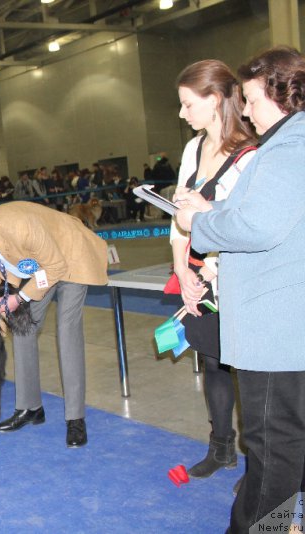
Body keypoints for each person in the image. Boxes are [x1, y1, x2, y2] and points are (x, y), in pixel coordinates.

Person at [175, 46, 305, 533]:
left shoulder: (289, 147)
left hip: (275, 327)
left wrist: (201, 222)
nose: (245, 109)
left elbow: (259, 226)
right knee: (287, 439)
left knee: (272, 445)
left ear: (276, 93)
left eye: (250, 98)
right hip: (285, 321)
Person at [0, 202, 108, 447]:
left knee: (66, 330)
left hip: (68, 256)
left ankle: (75, 418)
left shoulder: (21, 228)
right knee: (22, 328)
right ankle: (31, 408)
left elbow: (56, 267)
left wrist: (19, 298)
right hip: (38, 267)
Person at [170, 59, 257, 480]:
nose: (182, 113)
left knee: (252, 375)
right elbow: (180, 215)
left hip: (236, 282)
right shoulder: (192, 148)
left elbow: (247, 226)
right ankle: (221, 446)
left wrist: (210, 275)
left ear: (216, 100)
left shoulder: (250, 154)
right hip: (197, 279)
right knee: (213, 362)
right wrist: (183, 272)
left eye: (188, 104)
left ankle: (260, 465)